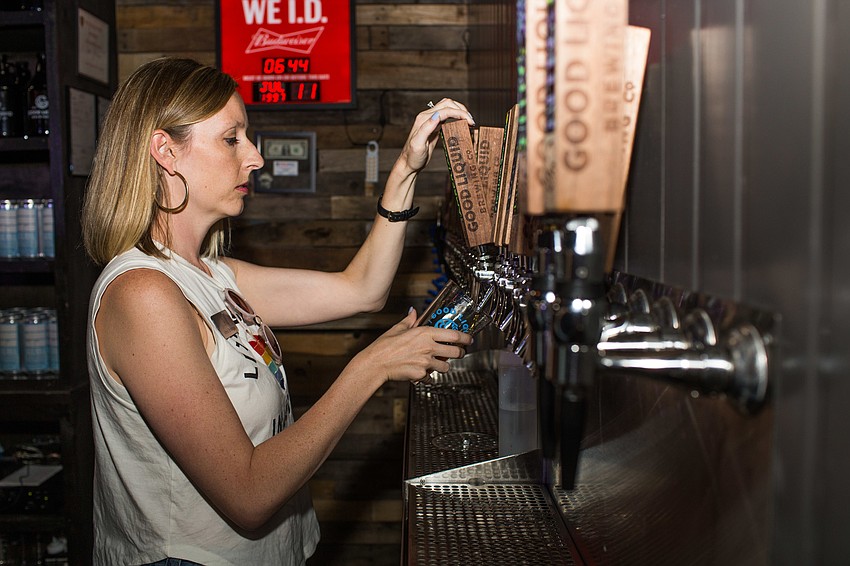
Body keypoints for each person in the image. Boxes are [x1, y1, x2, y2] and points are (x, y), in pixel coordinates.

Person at [81, 57, 475, 566]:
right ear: (165, 151)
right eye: (232, 139)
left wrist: (405, 169)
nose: (255, 157)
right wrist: (370, 368)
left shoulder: (213, 275)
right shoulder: (143, 295)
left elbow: (362, 290)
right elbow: (247, 495)